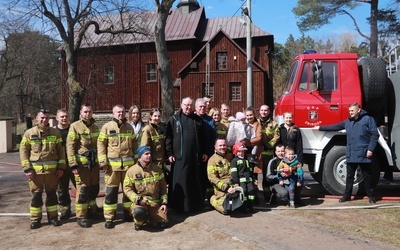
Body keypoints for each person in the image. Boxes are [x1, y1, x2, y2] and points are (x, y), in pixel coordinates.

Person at [317, 103, 379, 203]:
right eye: (349, 111)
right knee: (349, 176)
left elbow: (374, 135)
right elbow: (336, 126)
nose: (350, 113)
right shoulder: (348, 121)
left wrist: (370, 149)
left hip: (363, 153)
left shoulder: (368, 119)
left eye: (352, 111)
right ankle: (346, 196)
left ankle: (370, 196)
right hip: (351, 153)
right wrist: (320, 128)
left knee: (367, 176)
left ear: (358, 110)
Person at [19, 109, 66, 229]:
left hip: (52, 173)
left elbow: (61, 151)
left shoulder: (55, 133)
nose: (44, 120)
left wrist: (61, 167)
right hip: (35, 173)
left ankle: (53, 217)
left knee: (52, 195)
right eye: (42, 118)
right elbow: (23, 152)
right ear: (36, 118)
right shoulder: (29, 133)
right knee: (36, 196)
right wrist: (27, 169)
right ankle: (35, 219)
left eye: (46, 118)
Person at [165, 97, 207, 212]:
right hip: (179, 157)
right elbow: (168, 138)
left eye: (190, 105)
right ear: (181, 105)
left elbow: (203, 138)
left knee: (193, 181)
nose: (188, 107)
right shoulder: (173, 120)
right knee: (181, 181)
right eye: (186, 105)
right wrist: (169, 154)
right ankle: (179, 206)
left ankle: (194, 205)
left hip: (195, 157)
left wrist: (204, 152)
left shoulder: (198, 120)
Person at [97, 104, 137, 228]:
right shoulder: (107, 127)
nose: (120, 114)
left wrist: (136, 164)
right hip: (111, 169)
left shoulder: (129, 127)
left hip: (128, 168)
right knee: (111, 193)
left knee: (128, 191)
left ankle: (128, 213)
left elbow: (135, 146)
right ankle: (109, 218)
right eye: (118, 112)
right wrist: (103, 162)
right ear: (113, 113)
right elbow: (101, 145)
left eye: (122, 112)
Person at [66, 103, 100, 228]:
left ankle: (92, 211)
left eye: (89, 111)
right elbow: (70, 147)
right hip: (81, 166)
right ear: (81, 112)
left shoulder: (95, 127)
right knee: (83, 190)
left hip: (94, 165)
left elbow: (99, 146)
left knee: (94, 189)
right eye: (85, 111)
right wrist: (73, 165)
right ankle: (81, 216)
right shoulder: (75, 126)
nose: (87, 114)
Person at [123, 146, 168, 231]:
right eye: (146, 154)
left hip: (154, 203)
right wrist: (138, 200)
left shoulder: (157, 169)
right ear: (140, 156)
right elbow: (127, 189)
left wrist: (164, 203)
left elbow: (163, 188)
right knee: (139, 213)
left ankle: (149, 218)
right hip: (140, 204)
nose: (149, 155)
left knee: (163, 222)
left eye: (150, 153)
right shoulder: (132, 171)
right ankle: (138, 222)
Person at [207, 139, 237, 215]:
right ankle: (212, 199)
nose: (222, 147)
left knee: (242, 206)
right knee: (226, 209)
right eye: (220, 145)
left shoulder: (230, 156)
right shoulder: (212, 160)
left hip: (234, 186)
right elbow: (212, 178)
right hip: (221, 189)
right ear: (215, 147)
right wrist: (226, 188)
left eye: (224, 145)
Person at [195, 98, 216, 205]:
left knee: (206, 177)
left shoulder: (210, 120)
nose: (202, 108)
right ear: (196, 108)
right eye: (200, 107)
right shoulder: (192, 118)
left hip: (206, 154)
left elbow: (212, 138)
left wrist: (207, 153)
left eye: (204, 107)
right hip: (194, 154)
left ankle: (207, 198)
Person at [55, 108, 74, 220]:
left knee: (82, 189)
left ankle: (86, 209)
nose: (64, 118)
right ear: (57, 118)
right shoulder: (53, 132)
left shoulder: (73, 129)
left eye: (66, 116)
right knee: (62, 190)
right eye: (62, 116)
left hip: (74, 165)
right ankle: (65, 211)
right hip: (60, 167)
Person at [140, 108, 168, 182]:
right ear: (151, 117)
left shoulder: (161, 128)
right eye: (155, 116)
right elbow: (144, 148)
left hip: (162, 163)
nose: (157, 118)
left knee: (162, 187)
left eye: (159, 116)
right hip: (152, 164)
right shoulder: (147, 129)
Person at [258, 105, 280, 201]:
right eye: (262, 110)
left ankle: (268, 197)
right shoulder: (256, 122)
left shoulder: (274, 124)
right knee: (254, 175)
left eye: (266, 110)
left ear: (269, 111)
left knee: (267, 176)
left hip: (268, 153)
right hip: (257, 154)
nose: (264, 112)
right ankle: (255, 197)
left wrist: (269, 144)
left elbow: (277, 136)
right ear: (259, 111)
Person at [230, 141, 257, 212]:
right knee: (243, 192)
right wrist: (235, 182)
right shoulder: (234, 161)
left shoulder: (247, 160)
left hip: (249, 180)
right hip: (241, 181)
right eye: (239, 151)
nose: (241, 153)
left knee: (251, 191)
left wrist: (254, 179)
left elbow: (250, 170)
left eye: (242, 151)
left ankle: (251, 206)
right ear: (235, 151)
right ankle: (243, 208)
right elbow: (234, 173)